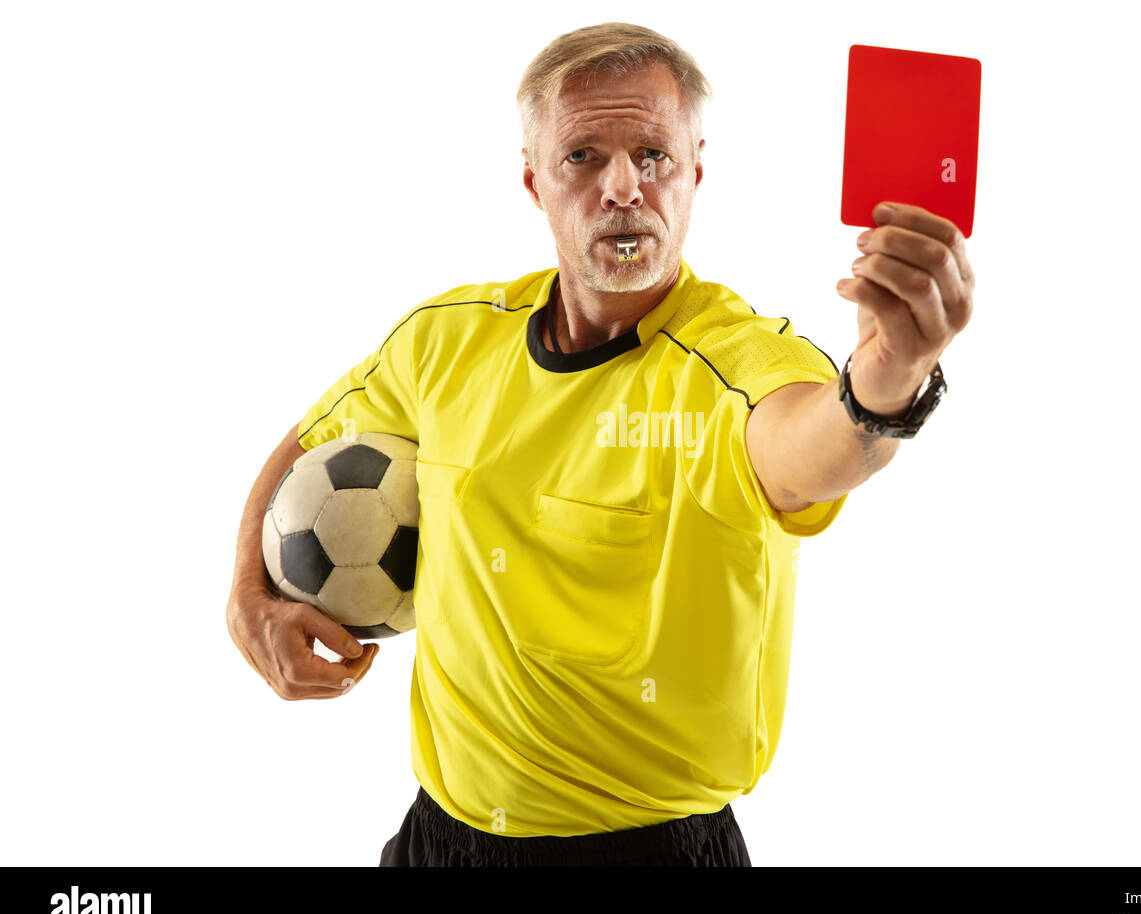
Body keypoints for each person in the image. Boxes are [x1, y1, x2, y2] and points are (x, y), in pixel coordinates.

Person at [225, 21, 975, 867]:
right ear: (533, 180)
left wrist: (886, 383)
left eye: (652, 155)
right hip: (437, 838)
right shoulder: (447, 342)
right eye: (583, 156)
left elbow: (811, 449)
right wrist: (248, 594)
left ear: (695, 170)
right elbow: (311, 437)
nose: (624, 186)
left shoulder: (732, 363)